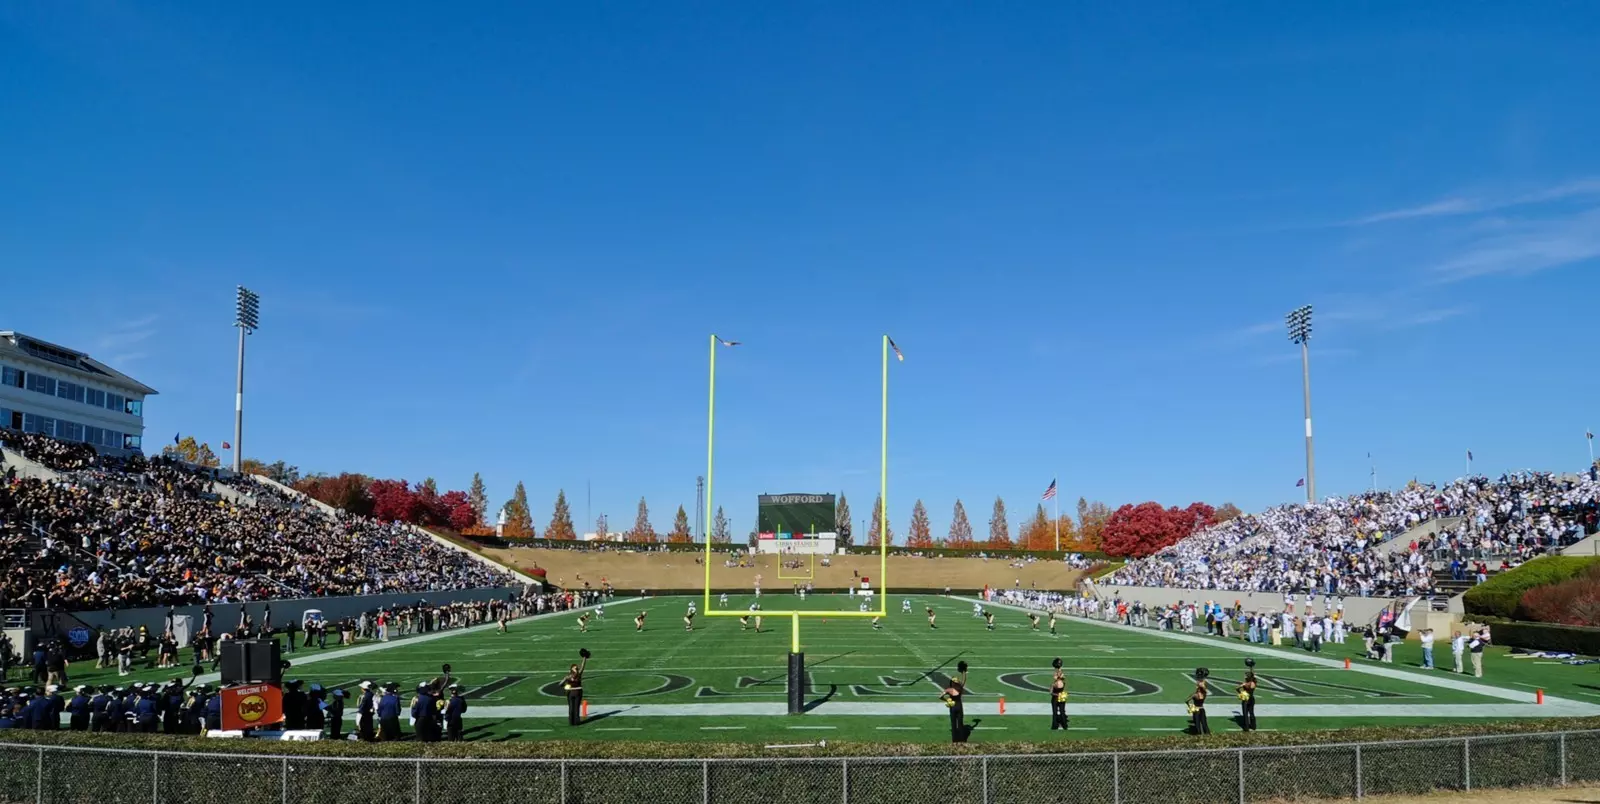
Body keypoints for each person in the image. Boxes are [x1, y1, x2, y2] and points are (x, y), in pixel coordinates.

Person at [943, 661, 969, 743]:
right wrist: (964, 672)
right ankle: (962, 740)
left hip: (952, 706)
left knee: (953, 724)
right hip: (959, 706)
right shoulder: (960, 688)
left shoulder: (949, 689)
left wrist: (947, 700)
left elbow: (940, 696)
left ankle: (954, 740)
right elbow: (964, 680)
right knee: (960, 723)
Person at [563, 649, 590, 727]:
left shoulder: (579, 674)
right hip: (570, 693)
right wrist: (564, 684)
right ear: (571, 669)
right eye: (575, 668)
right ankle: (571, 721)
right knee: (571, 708)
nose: (577, 668)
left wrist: (584, 658)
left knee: (576, 707)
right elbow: (561, 684)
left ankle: (576, 722)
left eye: (577, 668)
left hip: (578, 692)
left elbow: (582, 666)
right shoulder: (568, 676)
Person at [1187, 667, 1210, 735]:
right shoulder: (1203, 694)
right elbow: (1204, 690)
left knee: (1197, 725)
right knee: (1204, 724)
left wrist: (1190, 706)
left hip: (1196, 709)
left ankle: (1198, 735)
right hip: (1201, 708)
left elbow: (1186, 700)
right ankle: (1208, 736)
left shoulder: (1195, 695)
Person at [1237, 660, 1258, 732]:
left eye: (1245, 676)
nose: (1244, 676)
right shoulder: (1253, 683)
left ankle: (1246, 728)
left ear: (1247, 678)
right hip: (1252, 698)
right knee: (1251, 712)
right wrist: (1251, 667)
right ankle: (1253, 726)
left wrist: (1241, 693)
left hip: (1245, 699)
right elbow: (1253, 675)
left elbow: (1237, 688)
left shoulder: (1245, 684)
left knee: (1245, 713)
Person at [1049, 658, 1068, 731]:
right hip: (1062, 694)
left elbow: (1051, 692)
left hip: (1056, 694)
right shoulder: (1062, 679)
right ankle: (1064, 725)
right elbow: (1062, 677)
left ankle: (1055, 726)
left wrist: (1053, 691)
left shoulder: (1055, 682)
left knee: (1055, 711)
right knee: (1062, 711)